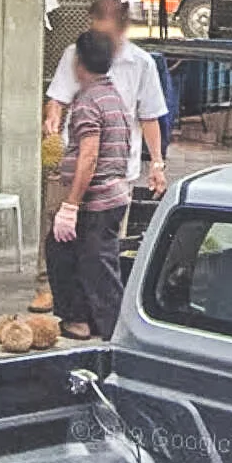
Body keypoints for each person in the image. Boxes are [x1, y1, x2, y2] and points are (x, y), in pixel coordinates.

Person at [32, 0, 169, 314]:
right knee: (57, 232)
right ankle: (48, 287)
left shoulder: (141, 64)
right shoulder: (76, 54)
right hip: (74, 161)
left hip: (115, 169)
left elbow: (149, 116)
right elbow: (58, 97)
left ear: (122, 29)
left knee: (102, 247)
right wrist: (53, 117)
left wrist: (157, 163)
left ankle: (98, 310)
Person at [46, 31, 133, 340]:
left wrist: (70, 205)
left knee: (98, 265)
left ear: (78, 63)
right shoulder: (113, 97)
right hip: (112, 195)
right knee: (66, 252)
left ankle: (115, 331)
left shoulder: (88, 102)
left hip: (97, 200)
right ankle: (83, 320)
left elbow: (89, 156)